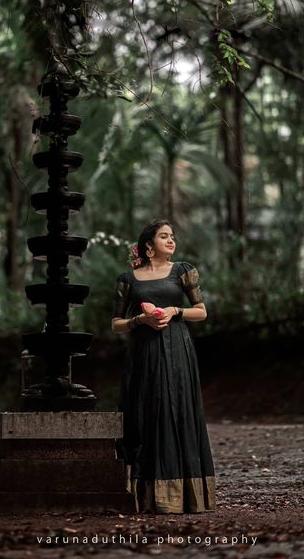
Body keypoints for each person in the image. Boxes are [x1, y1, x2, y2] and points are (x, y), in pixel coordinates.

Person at [111, 218, 216, 514]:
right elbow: (116, 324)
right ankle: (142, 495)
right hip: (143, 353)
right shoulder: (127, 279)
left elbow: (201, 312)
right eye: (164, 236)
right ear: (148, 245)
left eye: (173, 236)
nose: (171, 241)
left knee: (178, 408)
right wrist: (139, 320)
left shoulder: (184, 271)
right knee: (144, 411)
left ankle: (185, 496)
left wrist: (175, 310)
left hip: (177, 350)